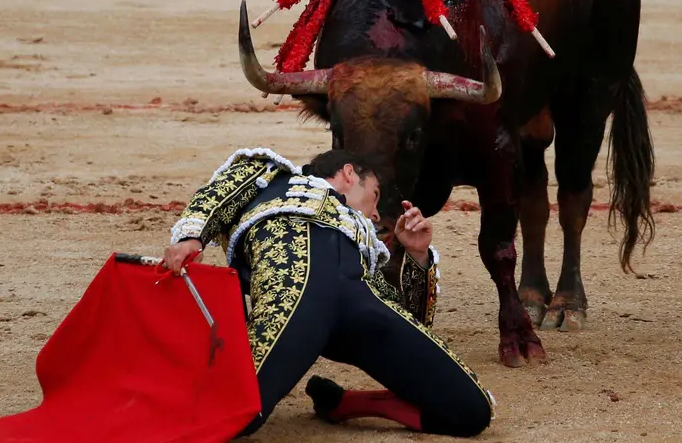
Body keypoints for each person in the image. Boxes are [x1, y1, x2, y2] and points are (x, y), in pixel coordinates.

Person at [163, 147, 496, 438]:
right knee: (234, 413)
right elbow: (219, 192)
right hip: (293, 282)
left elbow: (414, 321)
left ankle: (352, 404)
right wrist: (192, 236)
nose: (377, 214)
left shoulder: (365, 254)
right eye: (376, 194)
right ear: (349, 174)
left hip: (357, 299)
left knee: (471, 412)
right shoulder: (271, 175)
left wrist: (418, 255)